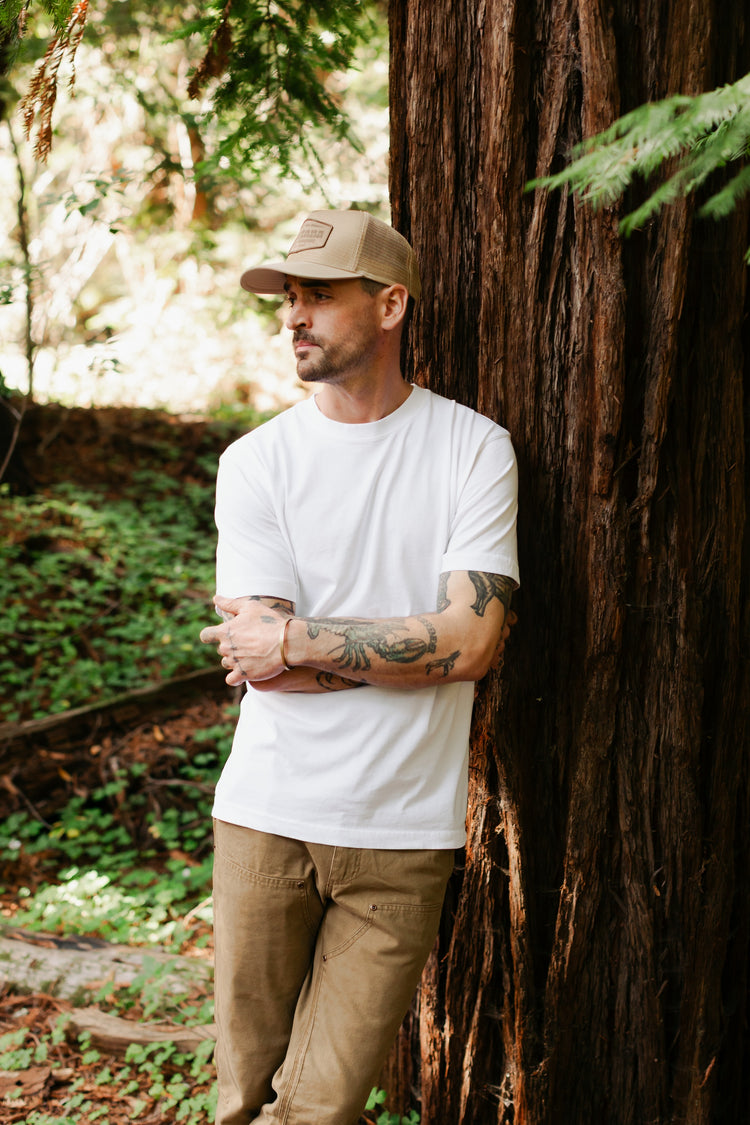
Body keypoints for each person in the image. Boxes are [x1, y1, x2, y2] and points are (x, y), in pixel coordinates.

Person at [199, 208, 520, 1125]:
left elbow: (478, 643)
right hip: (265, 819)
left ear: (390, 305)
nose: (293, 317)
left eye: (319, 297)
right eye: (288, 298)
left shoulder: (472, 448)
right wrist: (425, 647)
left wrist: (301, 639)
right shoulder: (256, 462)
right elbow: (262, 664)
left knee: (322, 1107)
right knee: (243, 1097)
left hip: (402, 837)